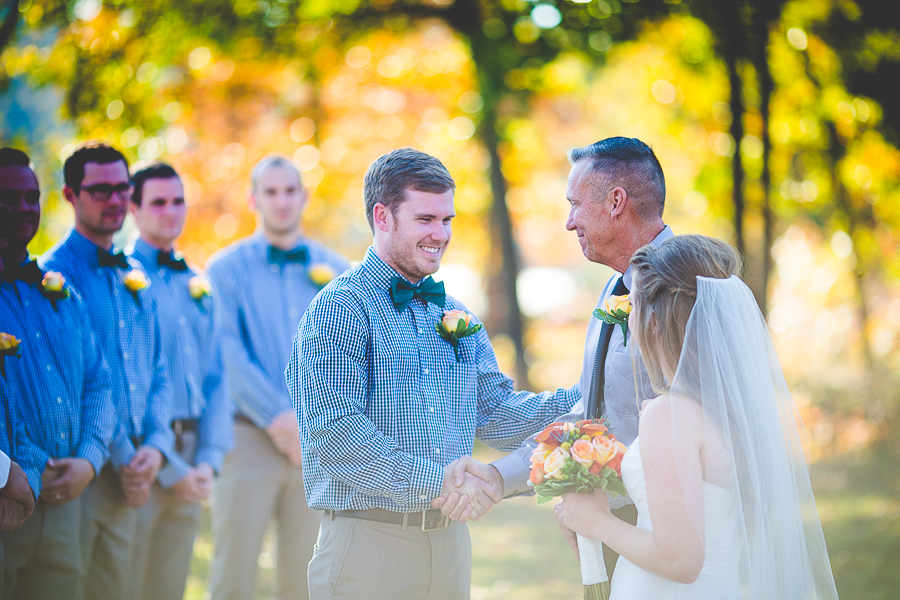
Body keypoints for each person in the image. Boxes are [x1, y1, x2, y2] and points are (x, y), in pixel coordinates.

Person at [286, 147, 580, 600]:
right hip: (369, 548)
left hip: (450, 547)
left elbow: (497, 411)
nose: (440, 235)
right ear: (382, 217)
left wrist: (589, 395)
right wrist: (439, 483)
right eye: (425, 219)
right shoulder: (339, 310)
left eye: (447, 221)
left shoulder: (453, 311)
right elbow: (335, 435)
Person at [556, 235, 840, 599]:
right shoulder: (728, 412)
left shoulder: (669, 415)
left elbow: (681, 561)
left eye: (635, 305)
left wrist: (596, 522)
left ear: (656, 323)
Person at [440, 137, 671, 577]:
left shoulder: (679, 287)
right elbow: (592, 413)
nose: (569, 223)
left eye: (575, 205)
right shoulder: (615, 288)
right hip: (618, 528)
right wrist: (498, 477)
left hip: (670, 526)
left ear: (616, 201)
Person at [206, 155, 349, 600]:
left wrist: (313, 422)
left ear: (304, 196)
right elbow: (226, 353)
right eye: (271, 192)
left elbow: (344, 361)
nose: (282, 201)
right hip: (247, 441)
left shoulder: (340, 271)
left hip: (317, 447)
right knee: (234, 575)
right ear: (254, 199)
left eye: (290, 191)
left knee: (306, 578)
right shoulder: (224, 270)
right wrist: (279, 417)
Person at [40, 141, 176, 600]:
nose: (116, 200)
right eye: (101, 190)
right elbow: (83, 384)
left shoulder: (134, 274)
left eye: (123, 188)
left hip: (137, 472)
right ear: (70, 195)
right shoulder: (51, 280)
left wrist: (156, 447)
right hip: (83, 471)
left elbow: (159, 371)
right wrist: (124, 460)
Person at [0, 147, 115, 599]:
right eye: (7, 199)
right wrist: (20, 472)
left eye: (31, 198)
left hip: (66, 509)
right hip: (6, 504)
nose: (23, 210)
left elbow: (98, 383)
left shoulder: (61, 295)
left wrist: (88, 458)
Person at [124, 162, 233, 600]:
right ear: (133, 208)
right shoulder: (125, 281)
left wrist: (207, 462)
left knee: (171, 588)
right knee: (127, 587)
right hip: (140, 463)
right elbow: (126, 386)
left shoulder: (198, 283)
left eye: (178, 201)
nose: (170, 211)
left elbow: (216, 379)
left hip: (194, 460)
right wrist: (172, 471)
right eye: (158, 202)